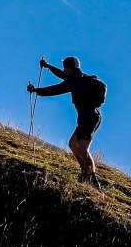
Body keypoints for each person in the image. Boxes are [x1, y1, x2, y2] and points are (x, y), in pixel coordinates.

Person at [27, 55, 107, 186]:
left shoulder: (74, 81)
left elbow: (56, 89)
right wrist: (48, 66)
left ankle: (92, 179)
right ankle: (84, 172)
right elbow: (62, 75)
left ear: (69, 68)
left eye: (65, 68)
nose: (64, 70)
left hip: (90, 119)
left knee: (82, 149)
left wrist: (37, 90)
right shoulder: (78, 78)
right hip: (88, 118)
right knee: (72, 144)